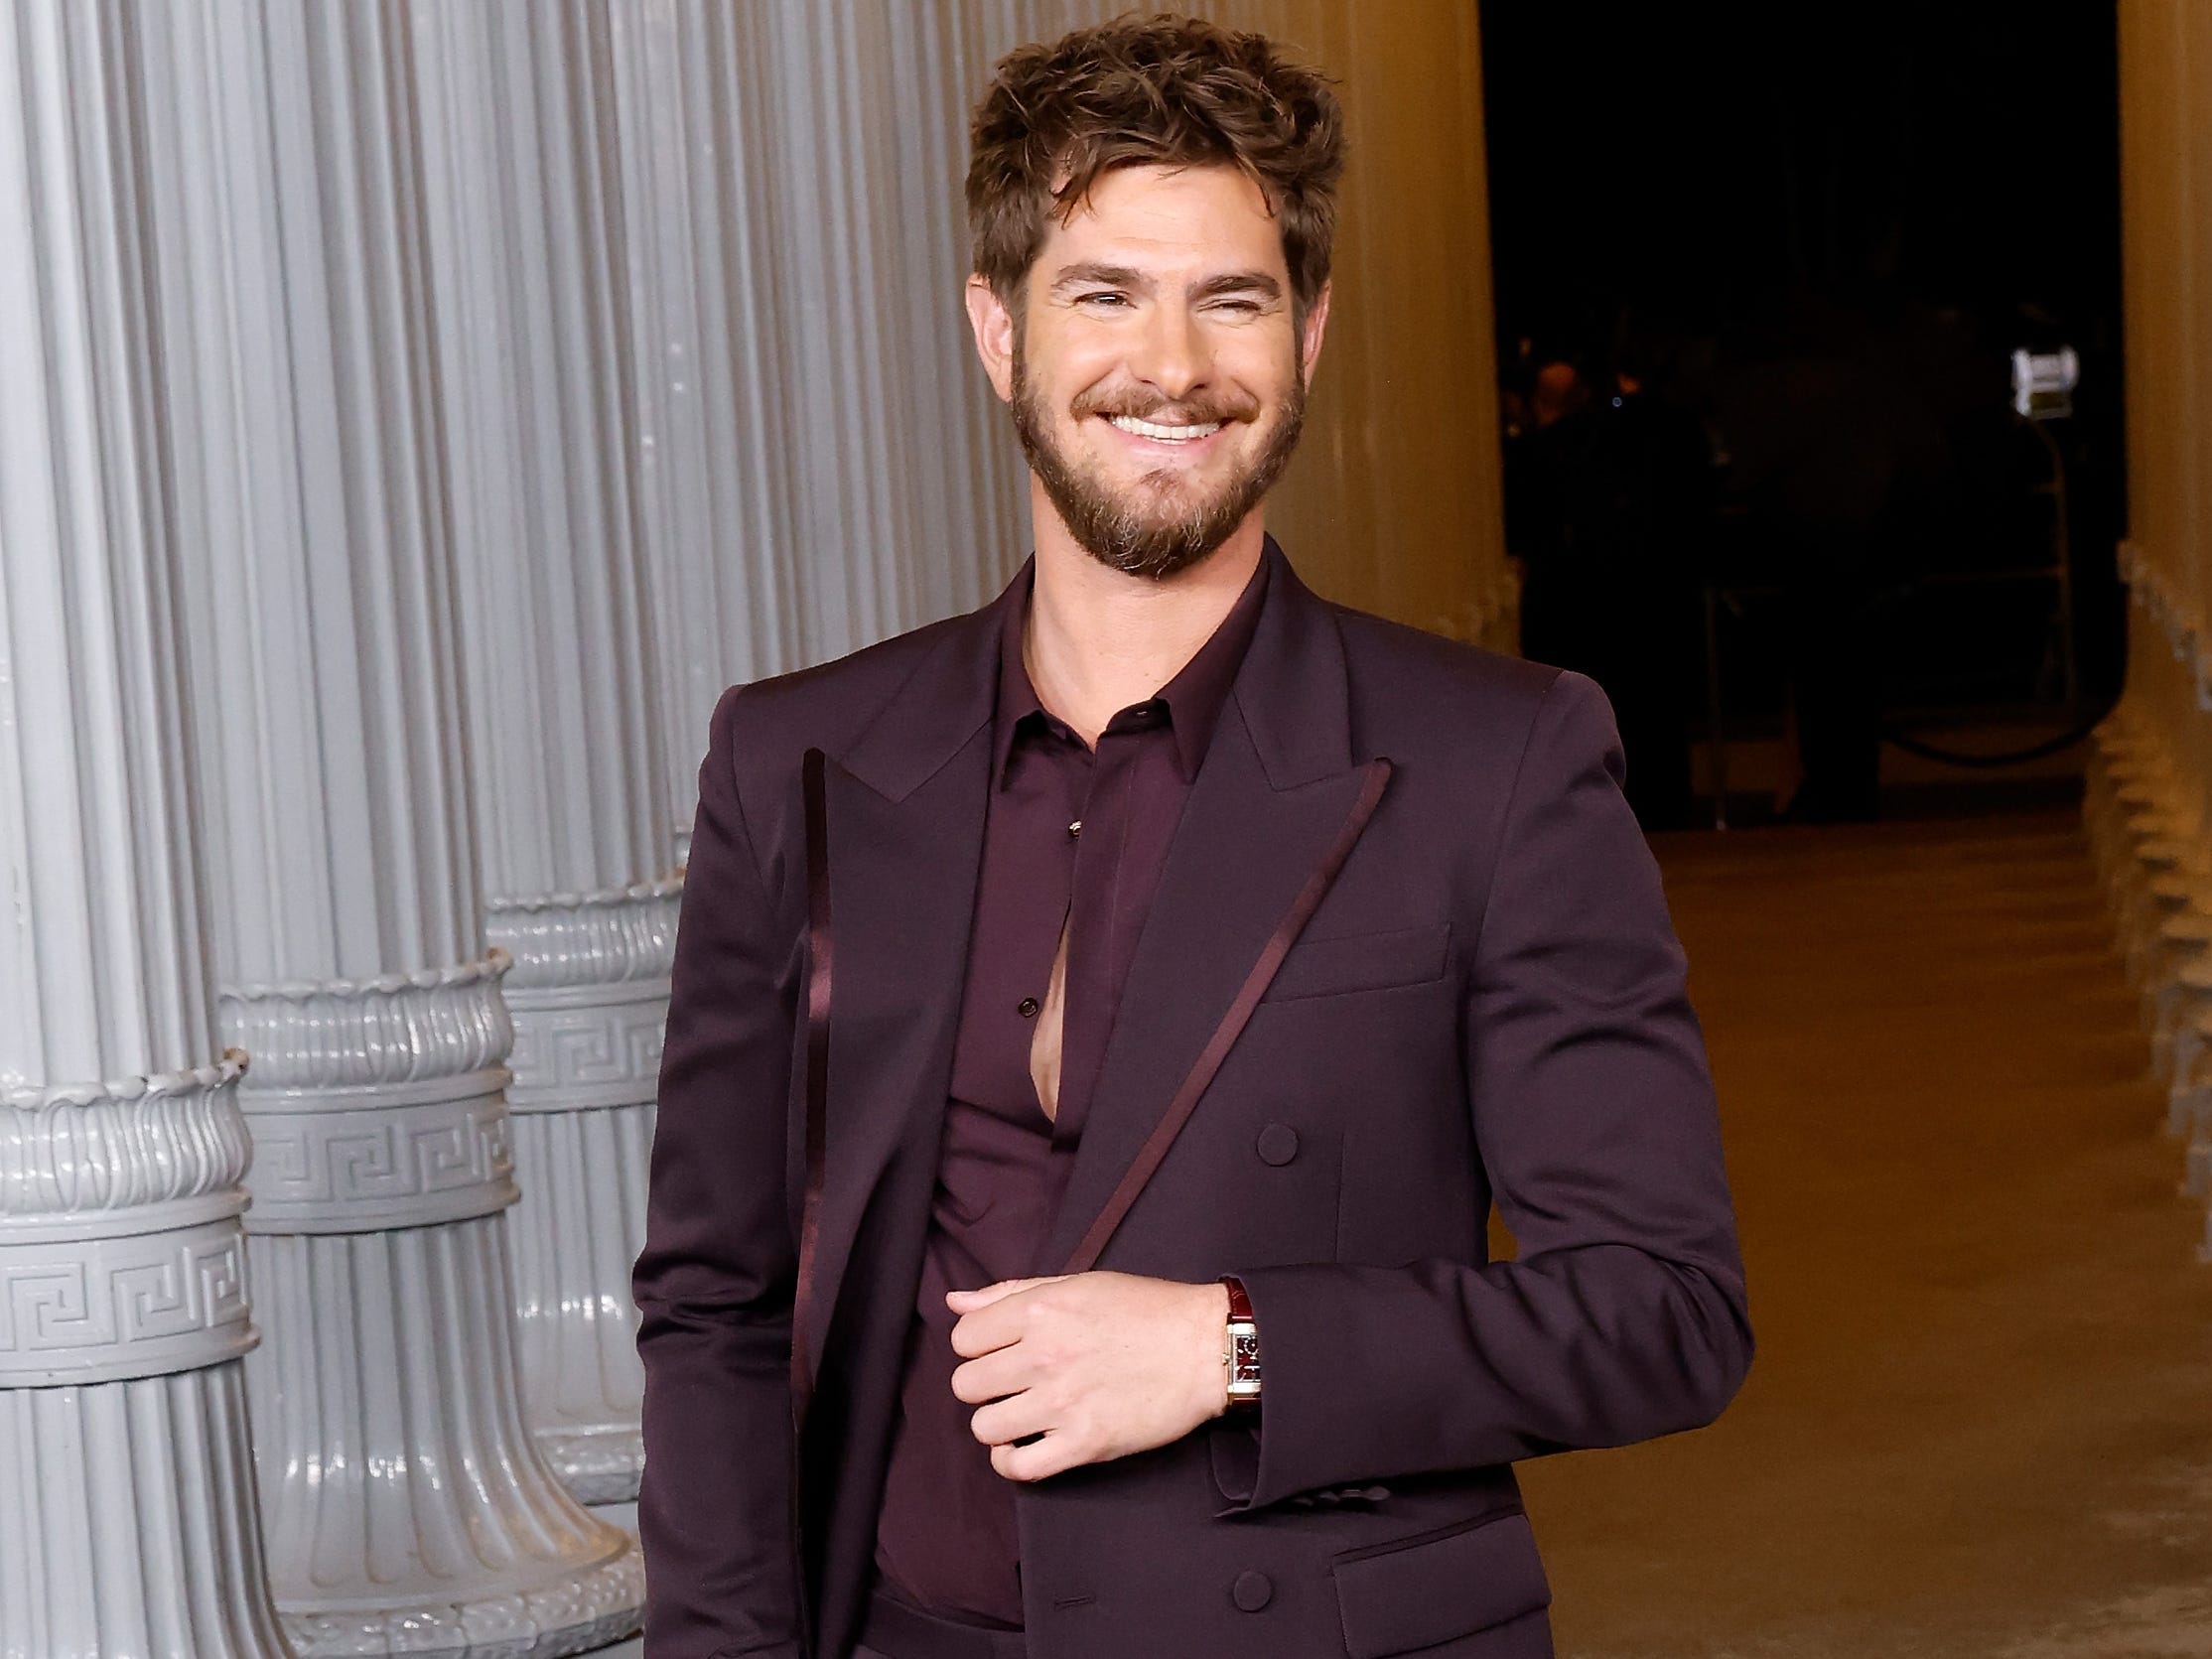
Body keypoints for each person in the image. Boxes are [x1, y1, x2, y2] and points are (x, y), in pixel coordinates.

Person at [632, 17, 1751, 1659]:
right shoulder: (796, 756)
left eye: (1229, 300)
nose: (1172, 366)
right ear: (995, 331)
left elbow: (1665, 1311)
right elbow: (718, 1300)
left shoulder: (1496, 760)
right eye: (1105, 294)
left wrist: (1235, 1349)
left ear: (1307, 337)